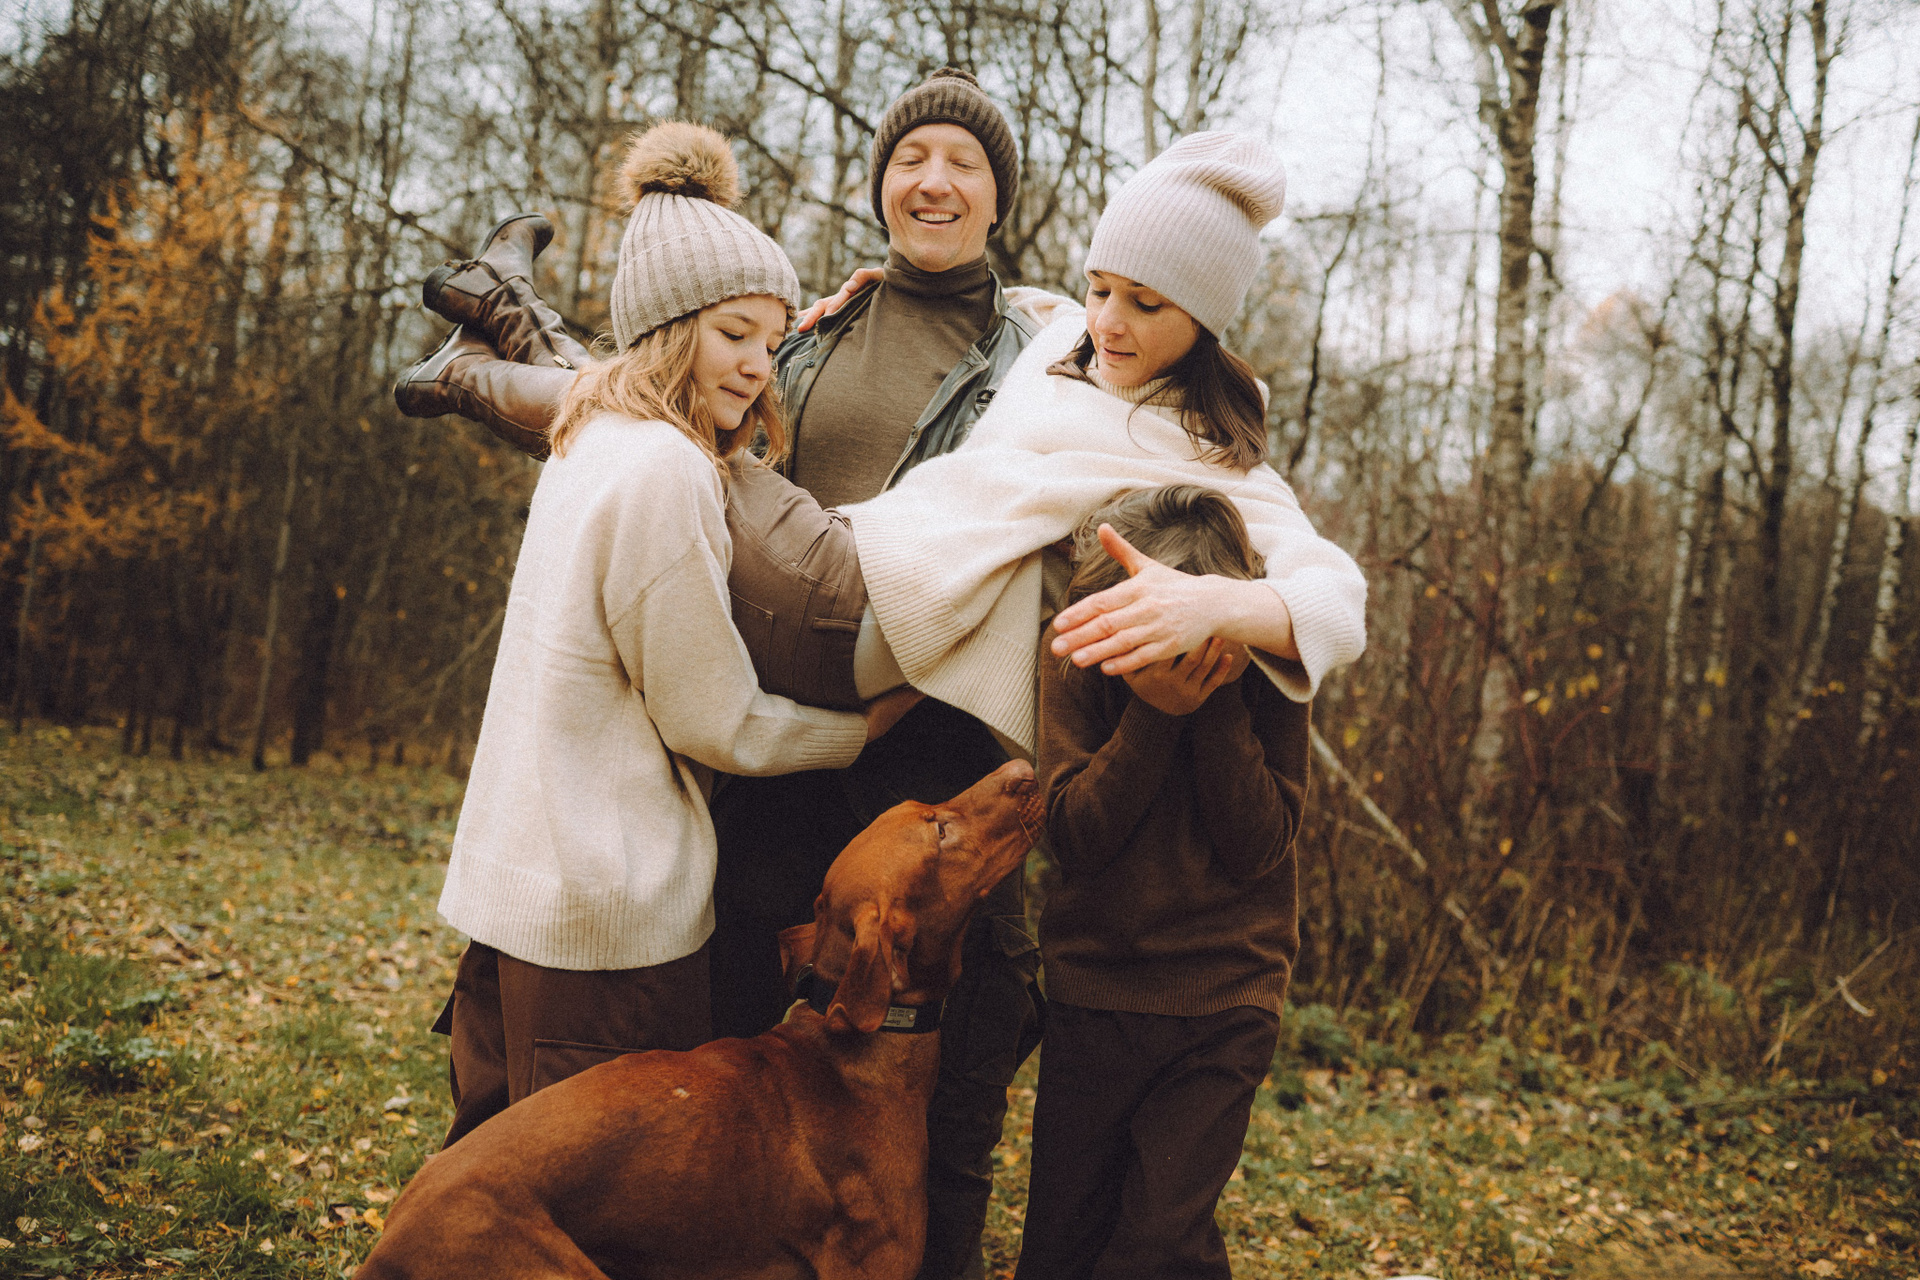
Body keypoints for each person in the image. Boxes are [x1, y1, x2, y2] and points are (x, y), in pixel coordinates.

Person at [399, 126, 1368, 1269]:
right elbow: (1002, 298)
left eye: (1144, 304)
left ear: (1203, 319)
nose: (1109, 320)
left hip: (857, 606)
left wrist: (1217, 605)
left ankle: (493, 335)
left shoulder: (1213, 459)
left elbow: (1335, 595)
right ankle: (492, 335)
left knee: (665, 427)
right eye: (1103, 287)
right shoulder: (1065, 343)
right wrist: (860, 297)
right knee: (662, 426)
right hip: (846, 575)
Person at [426, 121, 918, 1148]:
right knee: (600, 1213)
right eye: (734, 333)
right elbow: (714, 718)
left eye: (771, 342)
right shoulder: (666, 469)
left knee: (486, 1195)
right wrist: (863, 729)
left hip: (512, 901)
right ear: (668, 325)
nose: (757, 367)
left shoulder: (588, 436)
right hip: (603, 932)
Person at [1017, 485, 1306, 1280]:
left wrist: (1210, 702)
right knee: (1061, 1250)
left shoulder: (1274, 667)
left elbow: (1259, 845)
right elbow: (1074, 837)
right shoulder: (1079, 649)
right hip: (1096, 990)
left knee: (1159, 1248)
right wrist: (1150, 712)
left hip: (1228, 993)